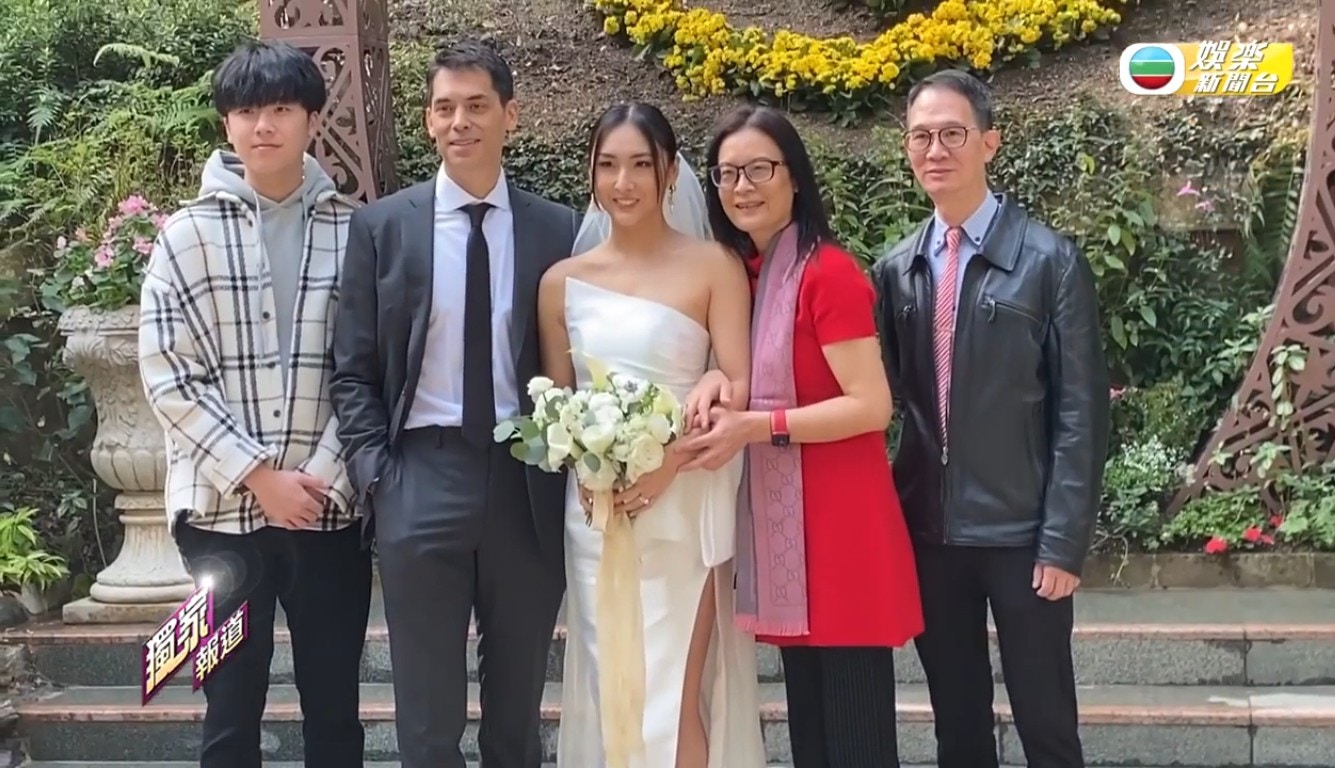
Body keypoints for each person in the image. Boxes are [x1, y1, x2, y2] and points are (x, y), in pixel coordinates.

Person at [328, 41, 579, 768]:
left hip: (526, 479)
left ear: (510, 116)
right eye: (444, 108)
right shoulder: (383, 227)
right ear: (428, 121)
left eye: (476, 106)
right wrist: (378, 476)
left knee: (517, 707)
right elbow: (354, 368)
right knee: (428, 713)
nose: (459, 121)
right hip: (419, 475)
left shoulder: (557, 228)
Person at [137, 39, 372, 768]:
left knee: (334, 707)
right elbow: (169, 374)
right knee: (228, 707)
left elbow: (371, 368)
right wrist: (258, 475)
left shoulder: (356, 233)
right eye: (246, 111)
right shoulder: (183, 238)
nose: (262, 125)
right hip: (218, 519)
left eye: (280, 109)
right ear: (227, 124)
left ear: (311, 120)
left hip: (327, 514)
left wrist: (320, 476)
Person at [868, 69, 1109, 768]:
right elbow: (892, 400)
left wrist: (1063, 541)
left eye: (952, 133)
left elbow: (1081, 411)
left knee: (1047, 725)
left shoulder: (1050, 261)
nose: (935, 150)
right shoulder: (897, 269)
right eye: (921, 136)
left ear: (989, 143)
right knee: (959, 729)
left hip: (1022, 536)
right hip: (932, 536)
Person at [683, 104, 923, 767]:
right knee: (814, 742)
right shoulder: (748, 277)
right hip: (789, 537)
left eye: (759, 169)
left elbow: (871, 406)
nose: (742, 187)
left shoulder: (826, 272)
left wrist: (759, 427)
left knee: (856, 743)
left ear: (794, 176)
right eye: (727, 173)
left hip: (842, 532)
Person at [540, 102, 767, 768]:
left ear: (670, 172)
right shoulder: (560, 285)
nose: (624, 182)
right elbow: (555, 407)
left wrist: (669, 461)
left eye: (641, 164)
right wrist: (584, 464)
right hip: (597, 515)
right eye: (608, 165)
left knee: (670, 698)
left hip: (683, 503)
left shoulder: (714, 266)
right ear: (590, 173)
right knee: (611, 688)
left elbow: (737, 387)